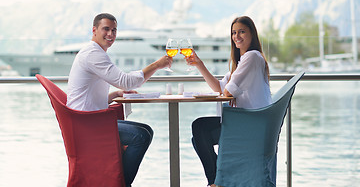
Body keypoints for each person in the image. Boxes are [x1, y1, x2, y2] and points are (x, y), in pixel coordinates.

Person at [66, 13, 172, 187]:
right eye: (106, 29)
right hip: (87, 124)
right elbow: (126, 80)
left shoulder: (94, 52)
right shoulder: (93, 54)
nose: (111, 34)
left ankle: (116, 180)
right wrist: (156, 65)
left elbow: (87, 99)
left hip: (87, 118)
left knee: (147, 130)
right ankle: (119, 183)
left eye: (114, 30)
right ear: (94, 30)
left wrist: (114, 95)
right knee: (141, 136)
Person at [185, 16, 272, 187]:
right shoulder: (241, 61)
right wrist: (199, 64)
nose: (237, 36)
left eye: (241, 32)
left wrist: (227, 89)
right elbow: (219, 88)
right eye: (234, 33)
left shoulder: (252, 57)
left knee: (199, 127)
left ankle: (216, 182)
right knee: (198, 138)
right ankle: (220, 180)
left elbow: (226, 92)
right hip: (245, 121)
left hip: (250, 123)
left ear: (252, 34)